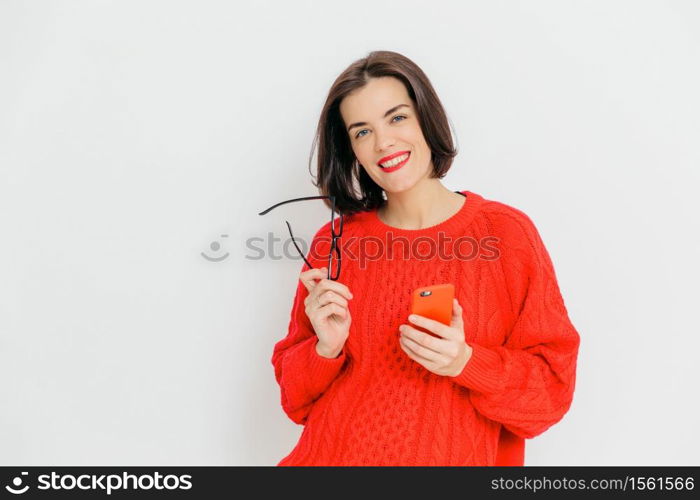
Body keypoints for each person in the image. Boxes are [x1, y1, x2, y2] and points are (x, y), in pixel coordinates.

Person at [270, 50, 580, 466]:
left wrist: (466, 362)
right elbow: (295, 401)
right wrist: (326, 349)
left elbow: (550, 396)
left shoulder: (506, 235)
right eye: (361, 132)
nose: (383, 142)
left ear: (426, 118)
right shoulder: (334, 241)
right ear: (352, 151)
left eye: (397, 118)